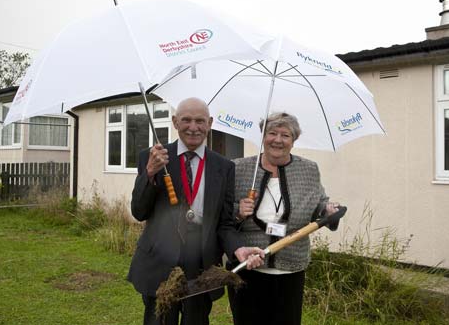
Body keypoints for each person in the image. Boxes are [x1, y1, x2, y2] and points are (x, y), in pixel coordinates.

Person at [127, 97, 264, 325]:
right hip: (160, 263)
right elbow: (139, 211)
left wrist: (238, 248)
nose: (193, 127)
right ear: (174, 122)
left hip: (202, 266)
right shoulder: (152, 158)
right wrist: (150, 173)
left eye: (200, 120)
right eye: (186, 120)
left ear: (209, 123)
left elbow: (225, 223)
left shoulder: (224, 167)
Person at [228, 112, 341, 325]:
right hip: (248, 267)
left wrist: (327, 210)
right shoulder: (239, 168)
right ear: (263, 136)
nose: (277, 140)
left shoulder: (308, 169)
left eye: (285, 135)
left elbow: (318, 204)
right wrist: (238, 211)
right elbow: (222, 215)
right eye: (272, 133)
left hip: (291, 267)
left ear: (294, 140)